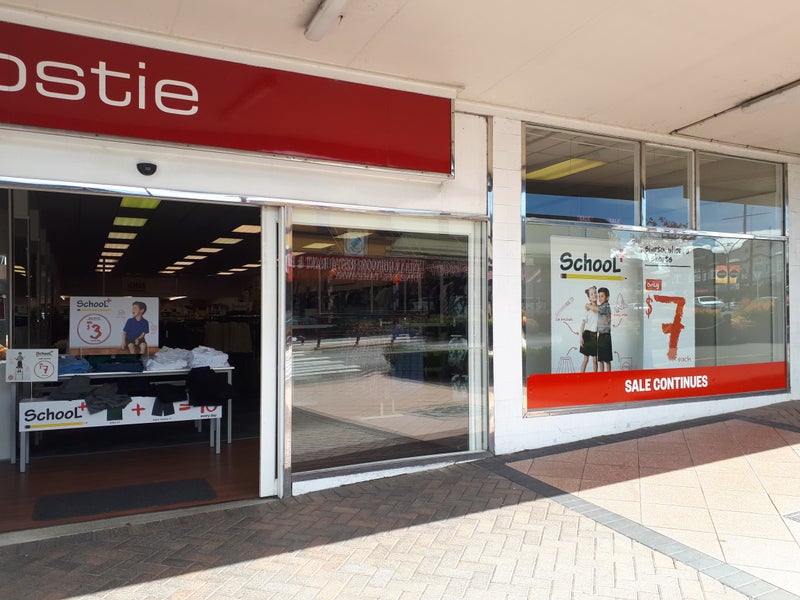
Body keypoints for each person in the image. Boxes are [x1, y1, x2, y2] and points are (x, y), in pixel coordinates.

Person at [578, 286, 598, 372]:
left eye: (595, 293)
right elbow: (582, 324)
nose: (594, 295)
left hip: (596, 335)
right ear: (589, 298)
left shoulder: (599, 308)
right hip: (587, 335)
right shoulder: (587, 309)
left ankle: (595, 377)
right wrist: (580, 337)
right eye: (591, 294)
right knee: (586, 359)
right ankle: (581, 377)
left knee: (595, 360)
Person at [596, 287, 613, 372]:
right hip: (601, 336)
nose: (600, 298)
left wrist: (588, 305)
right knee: (601, 359)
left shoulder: (606, 306)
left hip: (606, 336)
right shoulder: (601, 306)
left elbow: (595, 308)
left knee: (607, 360)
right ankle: (602, 376)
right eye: (599, 296)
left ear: (607, 297)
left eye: (602, 296)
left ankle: (608, 376)